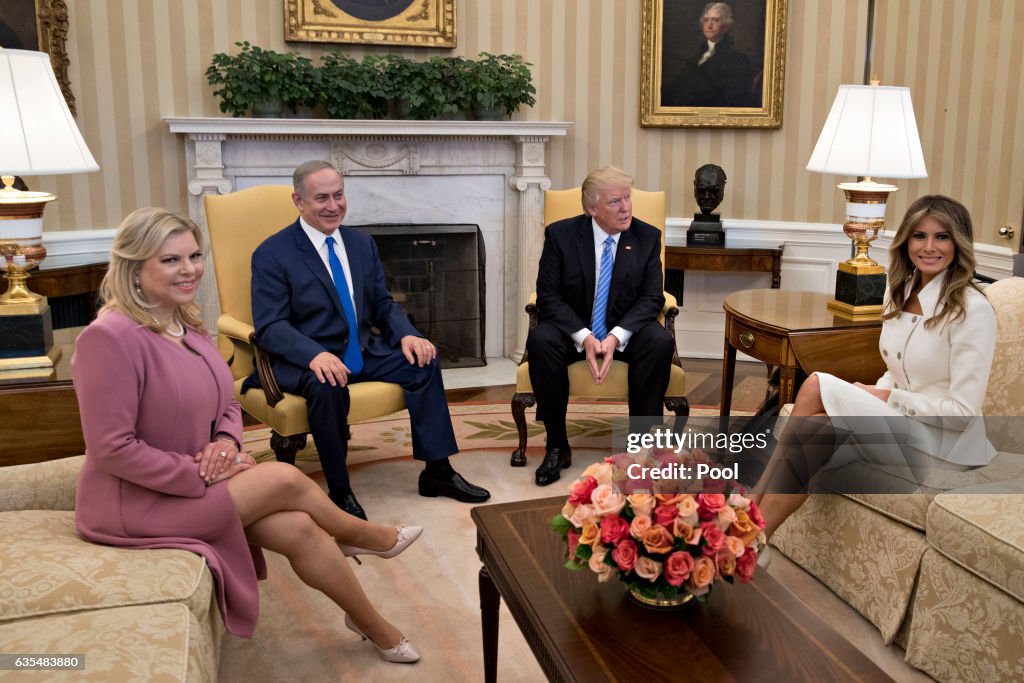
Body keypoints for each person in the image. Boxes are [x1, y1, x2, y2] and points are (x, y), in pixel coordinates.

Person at [73, 208, 422, 662]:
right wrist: (203, 474)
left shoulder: (187, 325)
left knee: (299, 527)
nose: (190, 270)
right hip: (134, 503)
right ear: (136, 268)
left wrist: (228, 444)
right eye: (171, 260)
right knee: (284, 478)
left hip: (194, 481)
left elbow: (228, 403)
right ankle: (361, 534)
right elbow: (112, 449)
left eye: (195, 256)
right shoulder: (110, 338)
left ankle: (371, 622)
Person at [248, 160, 490, 520]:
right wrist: (314, 355)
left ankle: (437, 471)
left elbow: (380, 303)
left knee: (424, 361)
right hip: (306, 360)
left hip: (360, 351)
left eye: (339, 195)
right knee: (325, 384)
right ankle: (340, 490)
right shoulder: (272, 253)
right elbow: (270, 325)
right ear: (299, 201)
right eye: (322, 198)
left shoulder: (361, 244)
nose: (334, 206)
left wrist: (408, 335)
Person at [751, 195, 997, 542]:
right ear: (906, 241)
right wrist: (873, 396)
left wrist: (883, 397)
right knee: (815, 430)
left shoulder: (972, 310)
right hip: (901, 426)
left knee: (817, 383)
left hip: (946, 443)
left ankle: (747, 509)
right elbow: (894, 370)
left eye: (941, 236)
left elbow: (962, 413)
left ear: (959, 242)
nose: (929, 247)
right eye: (919, 236)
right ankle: (754, 539)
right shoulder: (898, 292)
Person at [526, 166, 675, 486]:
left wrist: (615, 337)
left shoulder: (647, 237)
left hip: (624, 330)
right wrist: (585, 337)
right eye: (615, 202)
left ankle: (640, 448)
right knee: (541, 339)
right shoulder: (561, 236)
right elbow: (548, 297)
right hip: (573, 330)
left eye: (627, 199)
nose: (626, 208)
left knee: (659, 340)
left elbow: (651, 298)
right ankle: (556, 444)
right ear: (591, 208)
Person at [661, 2, 757, 108]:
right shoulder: (696, 58)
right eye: (706, 20)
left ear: (726, 26)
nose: (709, 25)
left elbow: (732, 100)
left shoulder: (738, 60)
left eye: (715, 20)